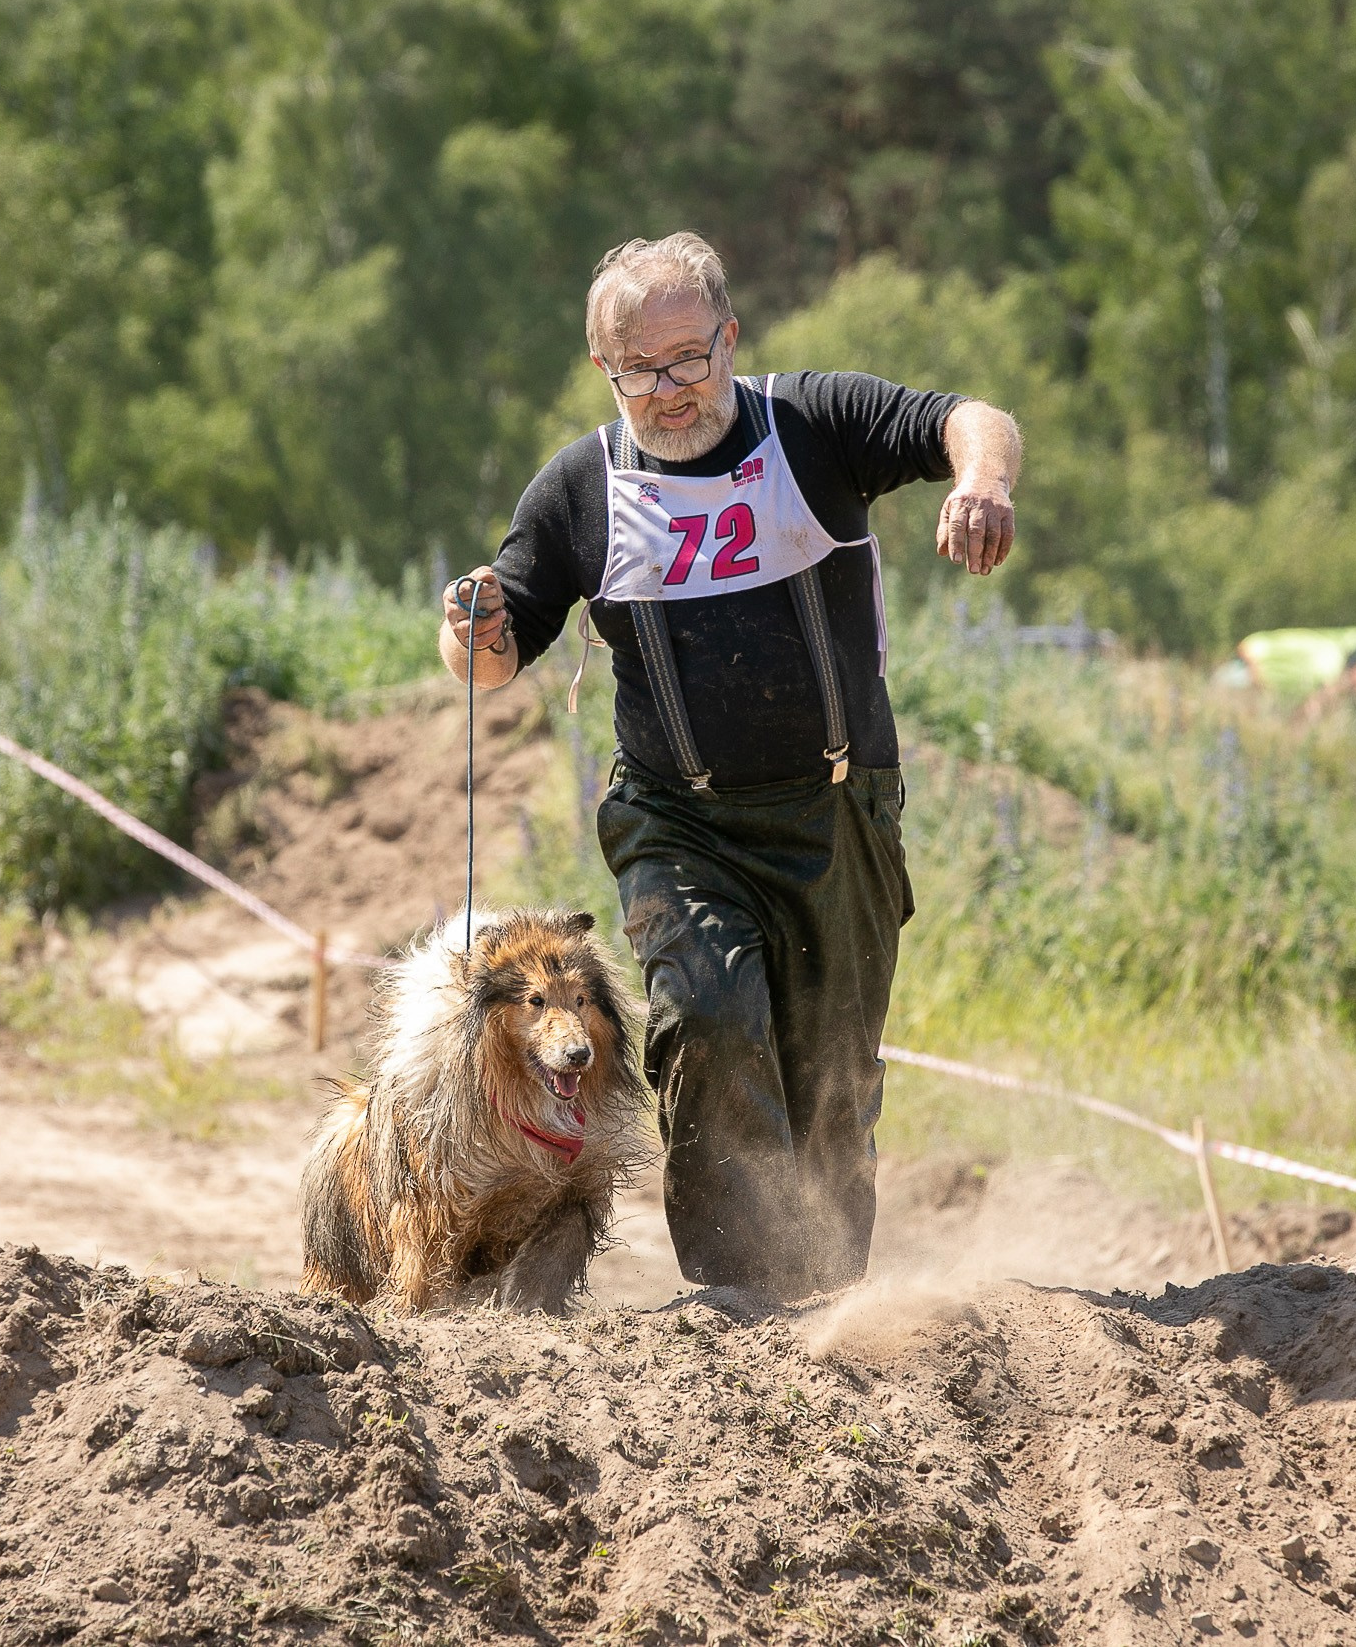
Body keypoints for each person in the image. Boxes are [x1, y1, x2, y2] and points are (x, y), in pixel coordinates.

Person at [437, 232, 1021, 1301]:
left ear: (729, 337)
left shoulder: (809, 426)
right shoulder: (582, 488)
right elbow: (491, 655)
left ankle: (831, 1300)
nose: (669, 390)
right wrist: (471, 623)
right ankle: (731, 1305)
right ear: (605, 371)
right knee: (706, 1022)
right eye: (639, 371)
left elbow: (971, 418)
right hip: (679, 822)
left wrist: (981, 480)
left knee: (831, 1082)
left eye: (688, 359)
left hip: (836, 811)